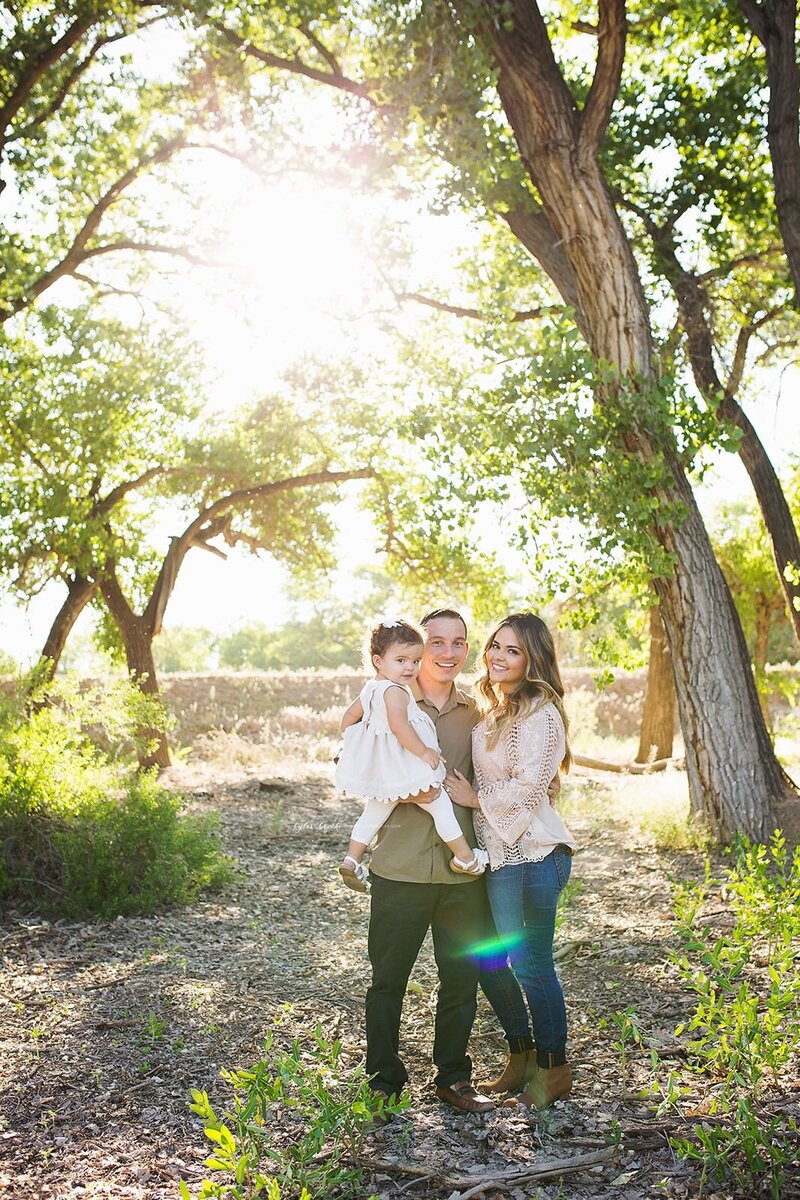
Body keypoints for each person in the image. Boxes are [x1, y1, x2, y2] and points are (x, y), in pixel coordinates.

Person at [360, 609, 497, 1116]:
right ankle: (382, 1081)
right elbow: (348, 757)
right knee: (388, 979)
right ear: (417, 648)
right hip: (400, 866)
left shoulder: (481, 711)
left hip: (464, 870)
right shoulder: (385, 697)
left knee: (461, 976)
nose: (446, 652)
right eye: (435, 641)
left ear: (466, 648)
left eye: (457, 642)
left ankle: (454, 1077)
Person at [446, 612, 577, 1111]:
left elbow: (530, 786)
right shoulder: (494, 709)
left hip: (535, 855)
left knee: (532, 964)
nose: (498, 656)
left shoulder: (540, 711)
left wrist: (477, 799)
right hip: (499, 856)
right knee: (488, 959)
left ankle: (554, 1068)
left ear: (533, 659)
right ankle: (521, 1054)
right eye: (495, 646)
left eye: (513, 650)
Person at [335, 619, 487, 891]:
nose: (410, 667)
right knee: (439, 804)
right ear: (378, 661)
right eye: (401, 660)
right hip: (406, 766)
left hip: (387, 771)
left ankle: (352, 858)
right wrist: (424, 751)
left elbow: (349, 718)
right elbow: (399, 726)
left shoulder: (369, 689)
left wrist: (352, 744)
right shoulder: (395, 691)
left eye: (415, 661)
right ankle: (465, 857)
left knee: (372, 814)